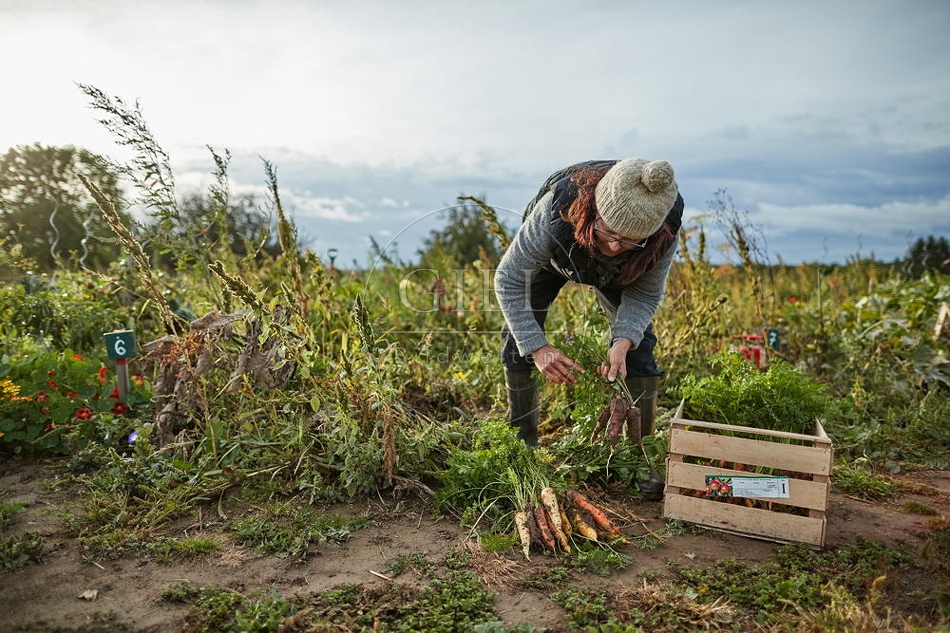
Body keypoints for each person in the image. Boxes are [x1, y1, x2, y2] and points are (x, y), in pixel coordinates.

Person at [494, 157, 683, 500]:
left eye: (628, 240)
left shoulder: (661, 235)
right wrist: (538, 347)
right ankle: (523, 446)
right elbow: (509, 280)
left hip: (622, 275)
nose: (613, 247)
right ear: (594, 212)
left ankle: (639, 458)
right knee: (517, 337)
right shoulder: (556, 212)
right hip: (556, 259)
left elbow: (645, 295)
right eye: (608, 233)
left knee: (639, 347)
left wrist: (622, 340)